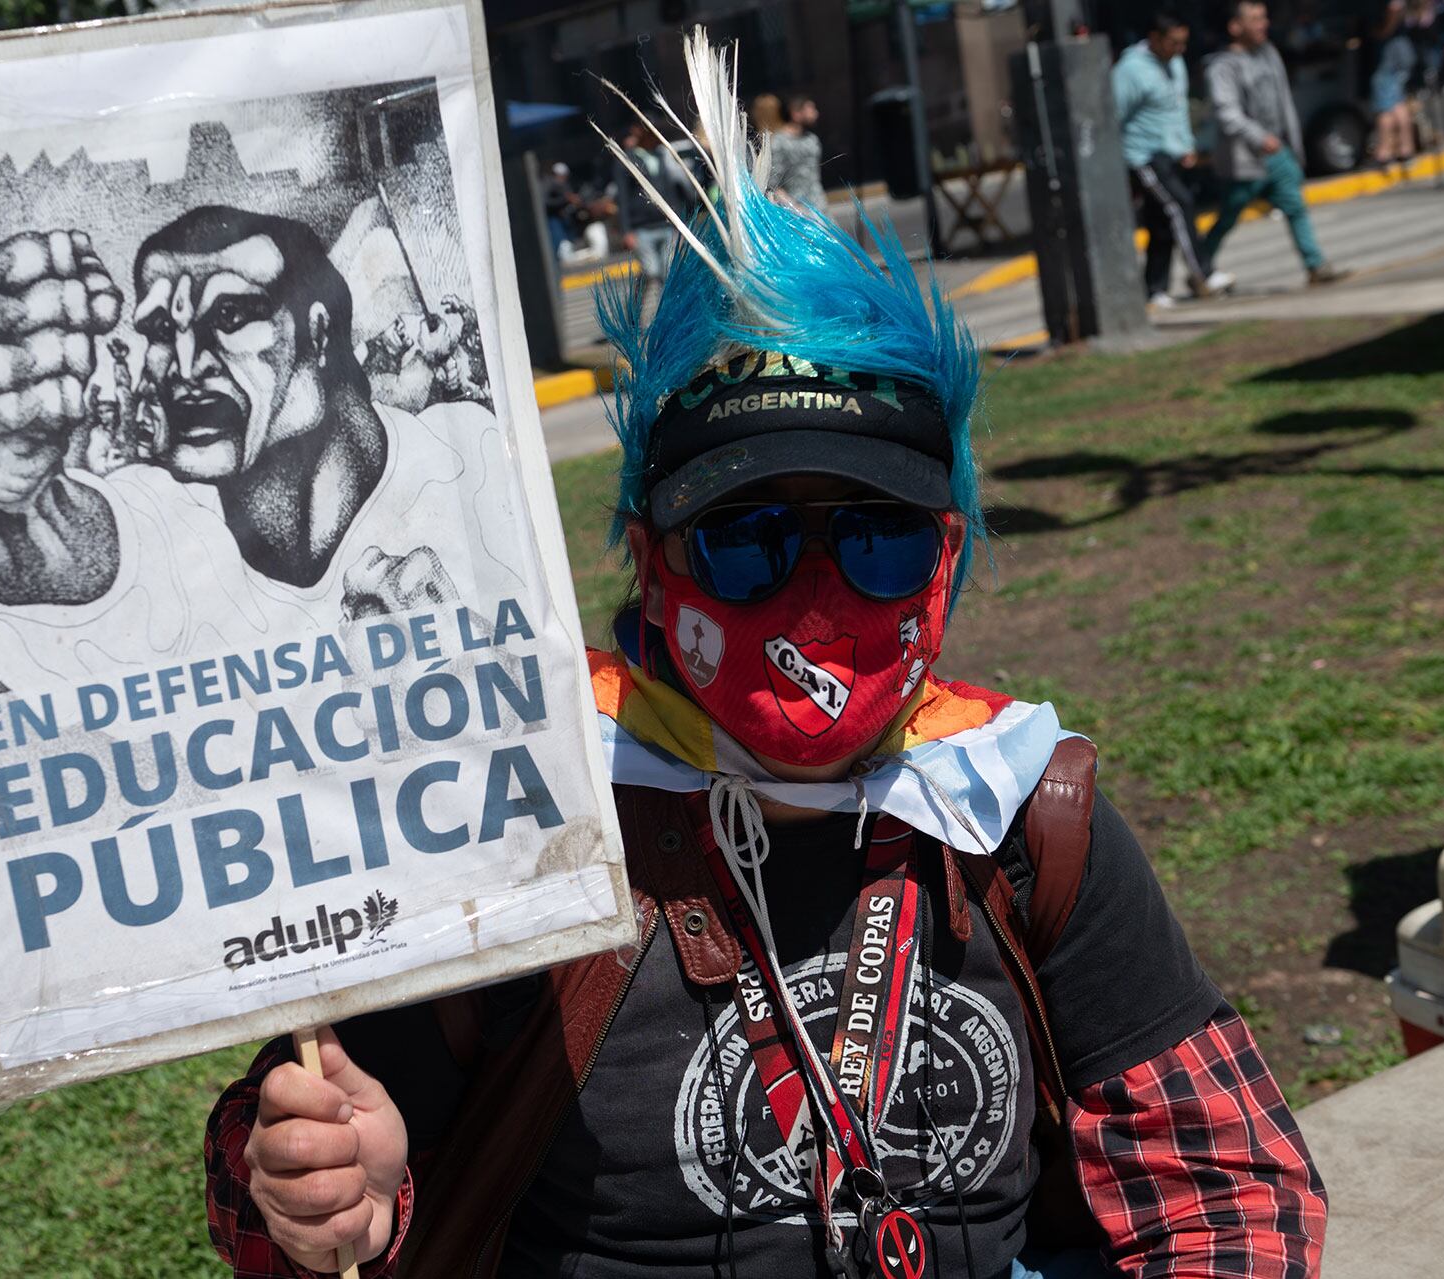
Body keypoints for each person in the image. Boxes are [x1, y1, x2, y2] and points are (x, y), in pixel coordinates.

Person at [204, 32, 1327, 1279]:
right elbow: (294, 1216)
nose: (812, 589)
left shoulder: (1019, 811)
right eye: (742, 538)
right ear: (648, 551)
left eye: (879, 539)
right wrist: (321, 1192)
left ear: (947, 552)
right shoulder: (517, 820)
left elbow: (1230, 1186)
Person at [0, 207, 507, 688]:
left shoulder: (468, 457)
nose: (184, 365)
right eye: (161, 330)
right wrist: (16, 501)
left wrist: (477, 671)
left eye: (230, 316)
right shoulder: (163, 512)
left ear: (319, 332)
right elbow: (80, 549)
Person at [1203, 0, 1345, 285]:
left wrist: (1293, 146)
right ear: (1235, 27)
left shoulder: (1268, 54)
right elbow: (1227, 113)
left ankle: (1315, 265)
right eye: (1254, 19)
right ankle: (1200, 265)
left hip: (1277, 152)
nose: (1263, 24)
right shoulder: (1222, 67)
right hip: (1245, 159)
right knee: (1229, 216)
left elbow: (1284, 103)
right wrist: (1258, 137)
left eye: (1263, 17)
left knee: (1295, 206)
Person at [1112, 10, 1234, 306]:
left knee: (1162, 223)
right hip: (1142, 156)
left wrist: (1186, 145)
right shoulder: (1130, 71)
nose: (1180, 50)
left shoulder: (1174, 62)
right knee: (1180, 205)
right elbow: (1112, 117)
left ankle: (1155, 289)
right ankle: (1203, 273)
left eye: (1183, 43)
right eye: (1174, 43)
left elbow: (1176, 109)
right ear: (1154, 39)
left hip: (1170, 154)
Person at [616, 123, 695, 286]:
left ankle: (667, 308)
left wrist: (680, 222)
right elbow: (622, 197)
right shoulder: (628, 159)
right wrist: (626, 230)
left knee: (667, 272)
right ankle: (638, 293)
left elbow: (672, 191)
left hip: (666, 223)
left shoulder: (662, 155)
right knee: (652, 271)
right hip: (641, 227)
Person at [1370, 0, 1432, 164]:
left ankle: (1384, 150)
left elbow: (1394, 6)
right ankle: (1406, 147)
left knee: (1384, 105)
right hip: (1403, 50)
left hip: (1391, 52)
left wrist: (1384, 31)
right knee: (1398, 101)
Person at [769, 94, 829, 214]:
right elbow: (773, 184)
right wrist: (794, 208)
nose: (815, 114)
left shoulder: (812, 139)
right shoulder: (779, 142)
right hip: (796, 211)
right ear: (796, 113)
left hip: (820, 207)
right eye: (810, 109)